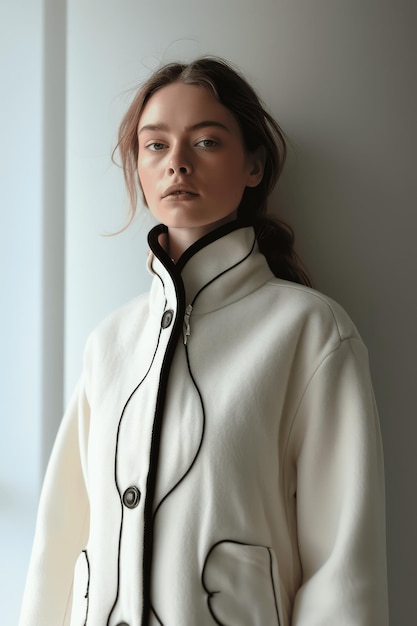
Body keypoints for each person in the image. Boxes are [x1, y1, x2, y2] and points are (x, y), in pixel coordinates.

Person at [19, 57, 388, 626]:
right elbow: (59, 544)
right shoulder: (110, 343)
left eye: (208, 141)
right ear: (138, 168)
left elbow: (343, 568)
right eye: (155, 146)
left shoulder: (310, 333)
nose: (178, 165)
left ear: (254, 166)